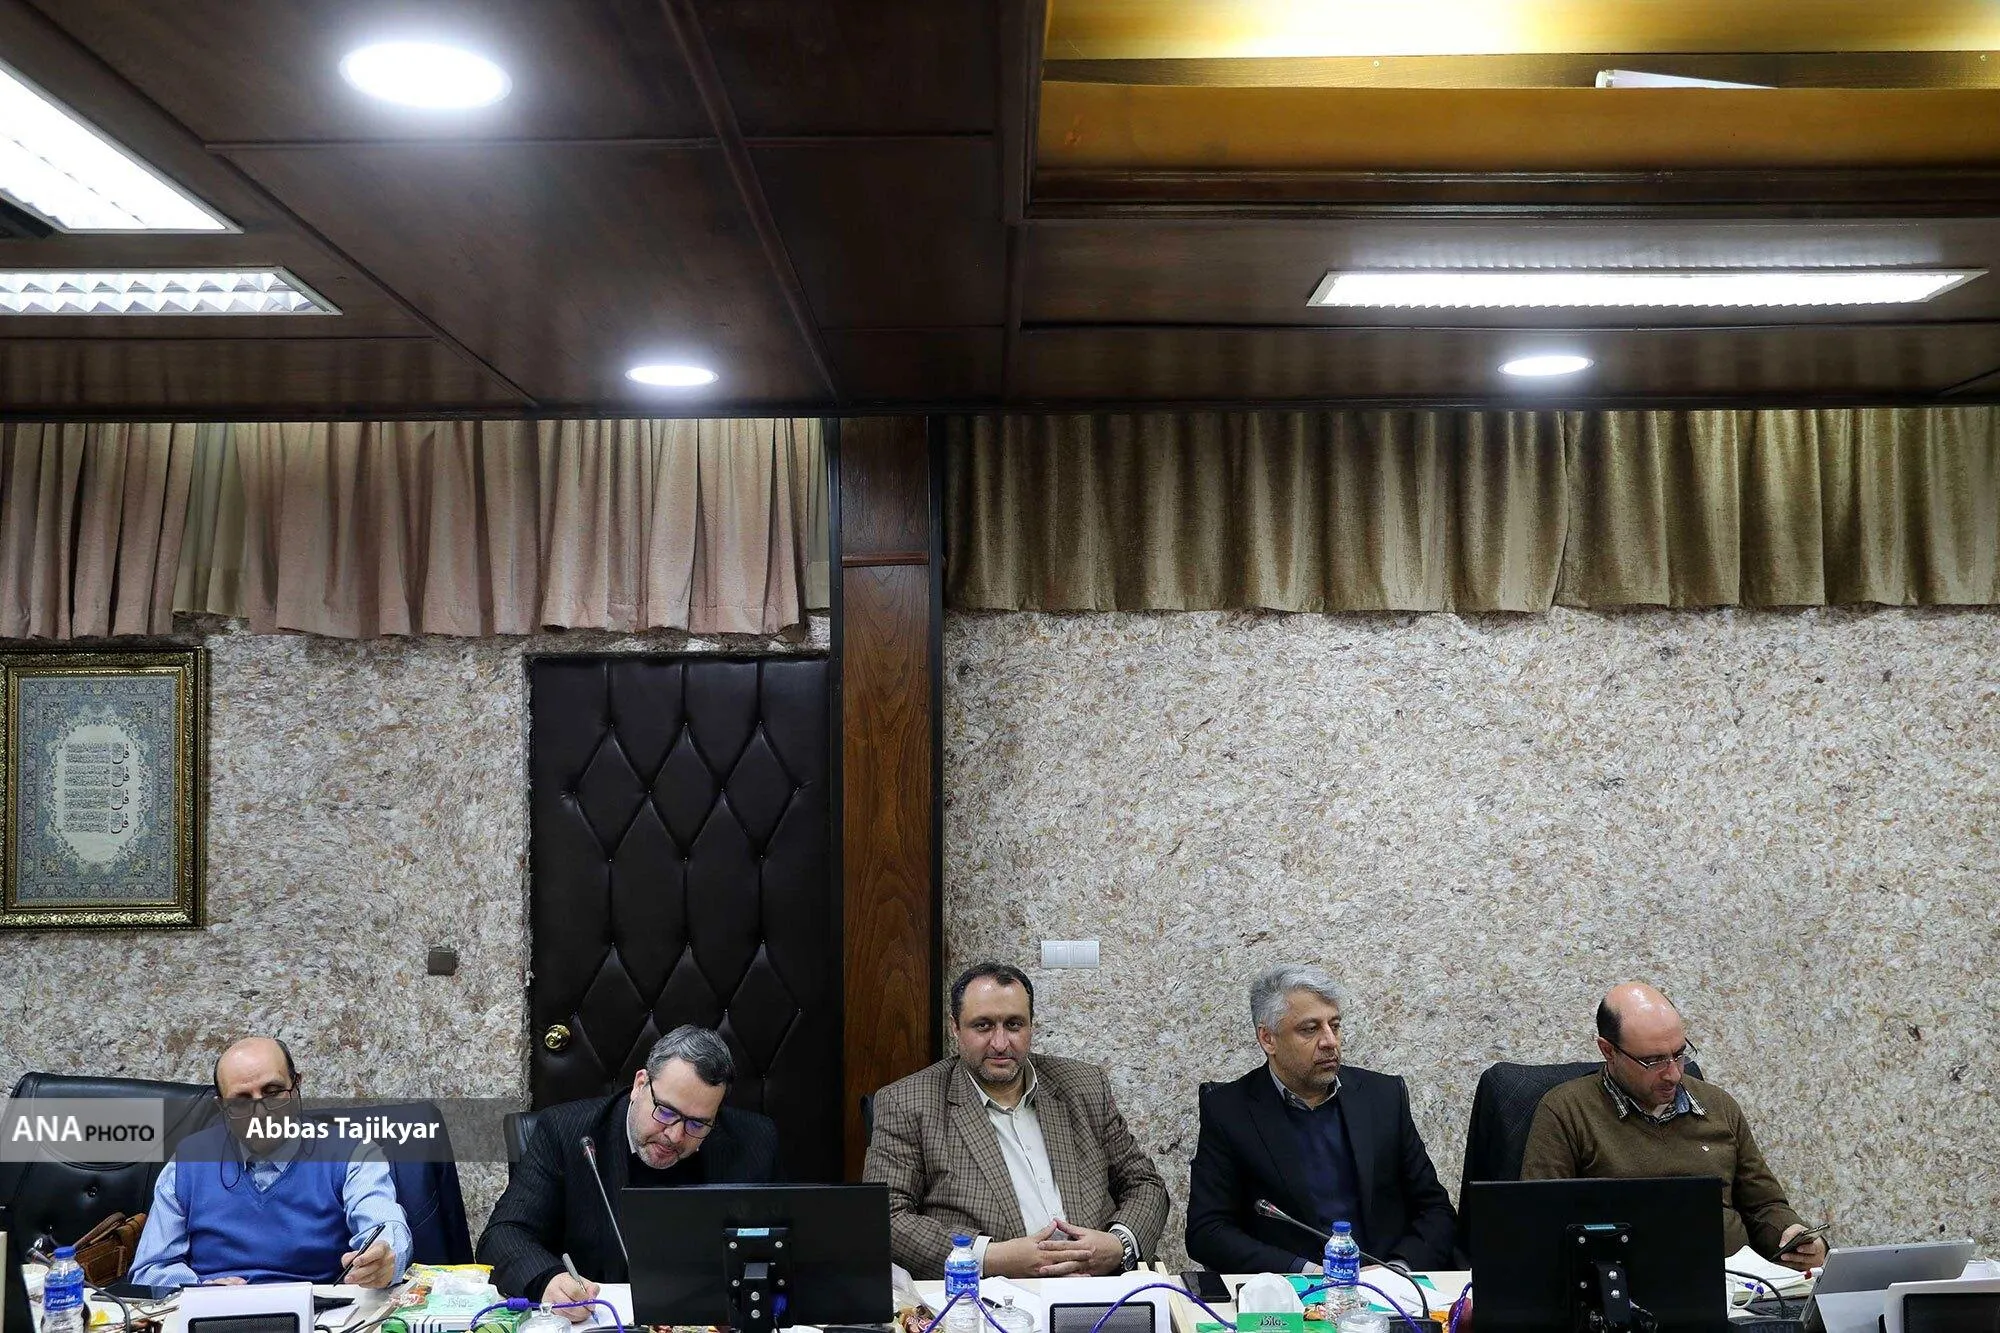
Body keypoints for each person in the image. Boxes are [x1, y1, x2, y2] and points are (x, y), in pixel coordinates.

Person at [864, 962, 1169, 1279]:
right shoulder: (909, 1102)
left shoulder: (1083, 1085)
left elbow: (1144, 1184)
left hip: (1101, 1287)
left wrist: (1119, 1245)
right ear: (955, 1027)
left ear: (1031, 1025)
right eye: (983, 1026)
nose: (1000, 1043)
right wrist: (989, 1258)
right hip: (990, 1294)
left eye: (1013, 1025)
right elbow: (886, 1218)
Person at [1520, 981, 1828, 1270]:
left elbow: (1764, 1205)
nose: (1673, 1074)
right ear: (1608, 1050)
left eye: (1679, 1054)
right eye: (1653, 1061)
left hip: (1737, 1285)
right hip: (1627, 1286)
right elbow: (1541, 1224)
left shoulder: (1718, 1106)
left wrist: (1795, 1236)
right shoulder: (1567, 1110)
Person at [478, 1025, 778, 1318]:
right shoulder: (565, 1131)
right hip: (596, 1318)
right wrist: (548, 1280)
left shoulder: (753, 1141)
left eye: (697, 1124)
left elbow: (778, 1248)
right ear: (639, 1084)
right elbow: (504, 1234)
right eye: (666, 1111)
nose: (674, 1135)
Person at [1184, 965, 1457, 1273]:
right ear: (1268, 1039)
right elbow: (1207, 1231)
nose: (1330, 1041)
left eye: (1335, 1026)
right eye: (1310, 1029)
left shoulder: (1383, 1097)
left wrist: (1396, 1269)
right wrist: (1307, 1272)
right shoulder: (1229, 1111)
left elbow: (1436, 1210)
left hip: (1387, 1284)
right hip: (1294, 1289)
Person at [130, 1037, 410, 1287]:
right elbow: (151, 1270)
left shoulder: (352, 1153)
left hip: (318, 1313)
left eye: (273, 1091)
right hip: (212, 1314)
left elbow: (385, 1227)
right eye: (241, 1100)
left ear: (296, 1087)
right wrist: (201, 1290)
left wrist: (385, 1259)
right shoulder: (187, 1162)